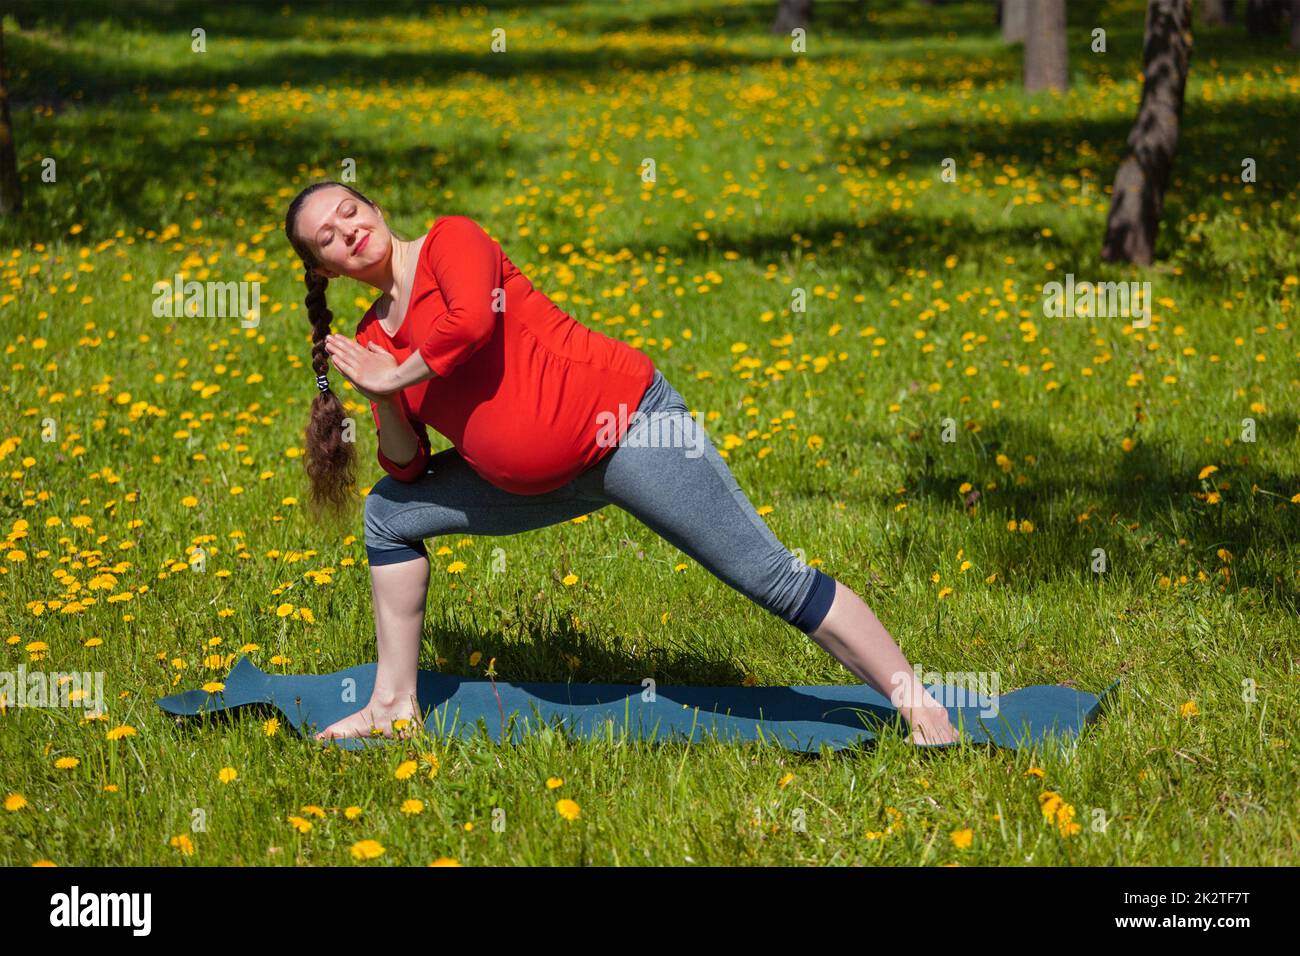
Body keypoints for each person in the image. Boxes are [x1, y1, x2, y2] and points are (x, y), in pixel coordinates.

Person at [282, 181, 961, 746]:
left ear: (373, 208)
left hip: (631, 433)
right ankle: (393, 707)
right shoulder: (371, 338)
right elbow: (406, 469)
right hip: (530, 485)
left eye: (349, 209)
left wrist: (397, 374)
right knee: (388, 514)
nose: (346, 229)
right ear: (325, 269)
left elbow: (471, 326)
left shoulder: (451, 241)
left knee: (772, 578)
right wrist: (384, 398)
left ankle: (921, 709)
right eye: (327, 236)